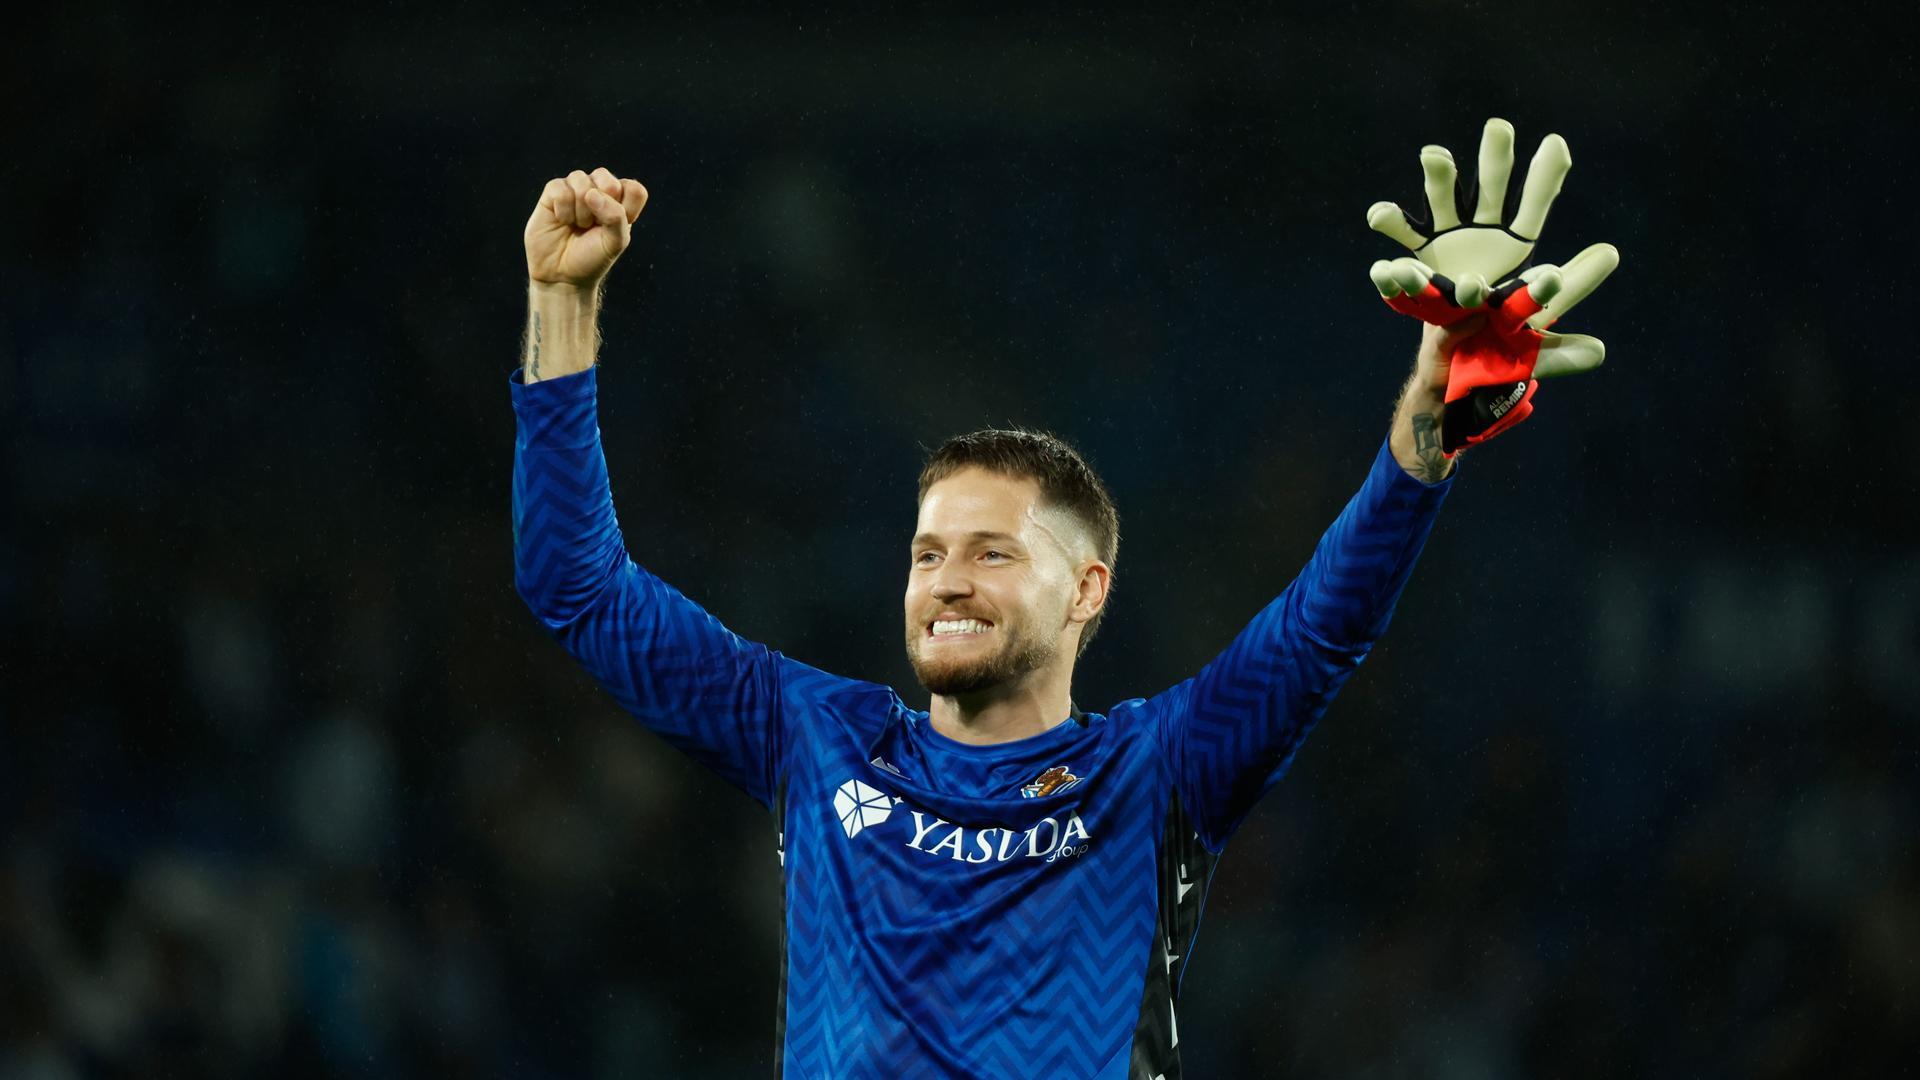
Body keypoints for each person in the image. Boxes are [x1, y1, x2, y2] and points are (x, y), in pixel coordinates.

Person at [511, 166, 1470, 1079]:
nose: (947, 583)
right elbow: (578, 586)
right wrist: (561, 303)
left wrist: (1427, 420)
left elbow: (1322, 625)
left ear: (1087, 591)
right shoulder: (815, 735)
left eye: (992, 553)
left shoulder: (1155, 770)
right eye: (929, 554)